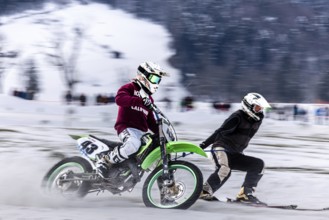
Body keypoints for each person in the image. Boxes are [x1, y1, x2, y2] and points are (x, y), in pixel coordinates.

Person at [96, 61, 169, 178]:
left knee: (153, 150)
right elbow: (119, 99)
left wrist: (161, 131)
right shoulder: (130, 87)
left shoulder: (149, 99)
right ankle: (105, 161)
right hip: (126, 127)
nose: (157, 83)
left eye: (158, 80)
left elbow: (150, 121)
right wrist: (138, 100)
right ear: (144, 76)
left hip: (141, 133)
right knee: (133, 144)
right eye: (155, 79)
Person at [199, 93, 271, 205]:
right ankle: (203, 192)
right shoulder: (237, 116)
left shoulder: (257, 120)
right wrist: (203, 145)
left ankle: (245, 194)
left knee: (258, 165)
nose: (260, 110)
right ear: (248, 105)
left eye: (261, 108)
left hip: (236, 153)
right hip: (221, 148)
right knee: (224, 170)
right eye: (257, 107)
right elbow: (219, 132)